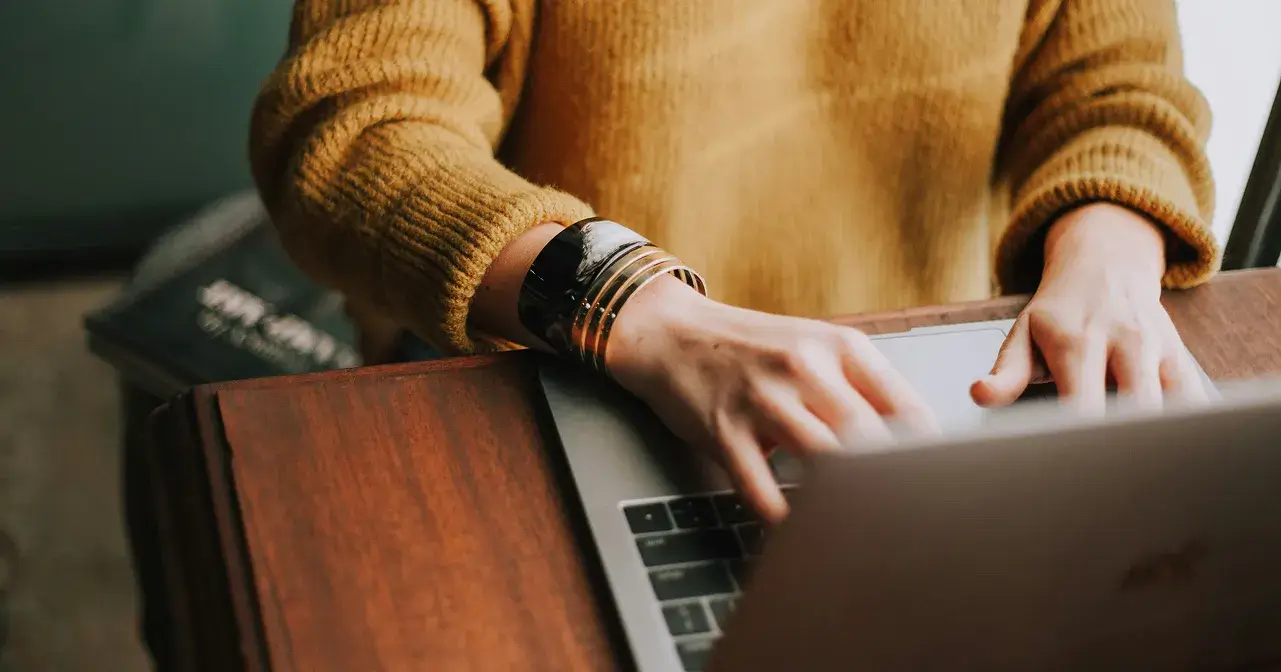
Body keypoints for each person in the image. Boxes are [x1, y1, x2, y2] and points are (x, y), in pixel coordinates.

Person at [248, 0, 1218, 524]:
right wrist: (640, 308)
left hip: (930, 403)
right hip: (562, 380)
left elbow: (1120, 83)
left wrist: (1109, 247)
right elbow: (355, 128)